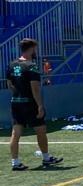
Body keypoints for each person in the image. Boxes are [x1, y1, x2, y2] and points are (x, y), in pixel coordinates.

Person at [8, 38, 62, 171]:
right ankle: (46, 158)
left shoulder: (12, 64)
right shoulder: (31, 66)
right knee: (41, 130)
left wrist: (18, 93)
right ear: (31, 49)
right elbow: (35, 88)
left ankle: (15, 162)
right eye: (35, 49)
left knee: (16, 132)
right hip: (30, 103)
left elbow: (9, 85)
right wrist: (40, 105)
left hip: (16, 102)